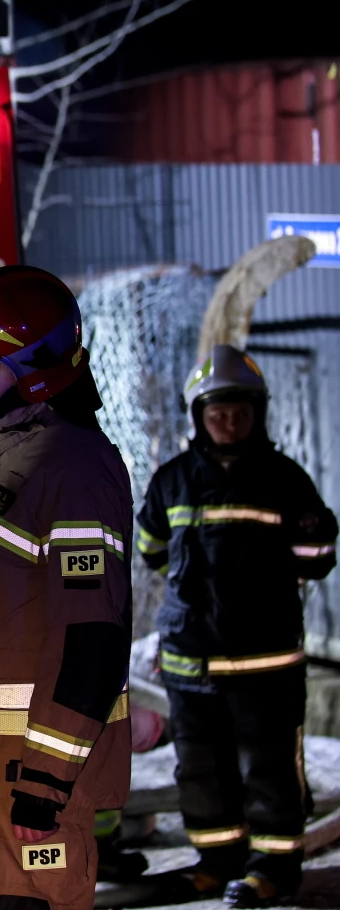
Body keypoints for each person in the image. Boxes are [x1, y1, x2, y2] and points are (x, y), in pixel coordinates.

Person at [0, 265, 132, 910]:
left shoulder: (74, 469)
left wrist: (46, 783)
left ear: (37, 371)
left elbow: (91, 637)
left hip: (34, 780)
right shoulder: (10, 459)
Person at [137, 344, 337, 907]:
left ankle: (274, 870)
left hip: (264, 666)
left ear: (258, 414)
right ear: (199, 416)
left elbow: (317, 558)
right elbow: (153, 549)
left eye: (240, 413)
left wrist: (313, 530)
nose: (229, 423)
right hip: (190, 664)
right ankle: (216, 864)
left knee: (270, 772)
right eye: (219, 413)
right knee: (201, 772)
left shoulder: (284, 479)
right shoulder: (172, 480)